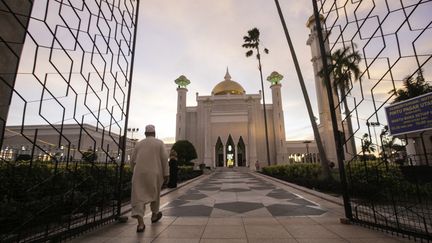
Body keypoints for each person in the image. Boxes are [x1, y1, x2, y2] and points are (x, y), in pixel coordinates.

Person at [130, 124, 168, 233]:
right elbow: (165, 159)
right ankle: (154, 215)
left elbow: (132, 160)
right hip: (154, 173)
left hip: (139, 173)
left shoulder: (138, 144)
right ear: (154, 133)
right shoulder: (159, 143)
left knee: (138, 197)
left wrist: (134, 171)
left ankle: (141, 224)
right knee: (155, 194)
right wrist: (166, 174)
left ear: (145, 134)